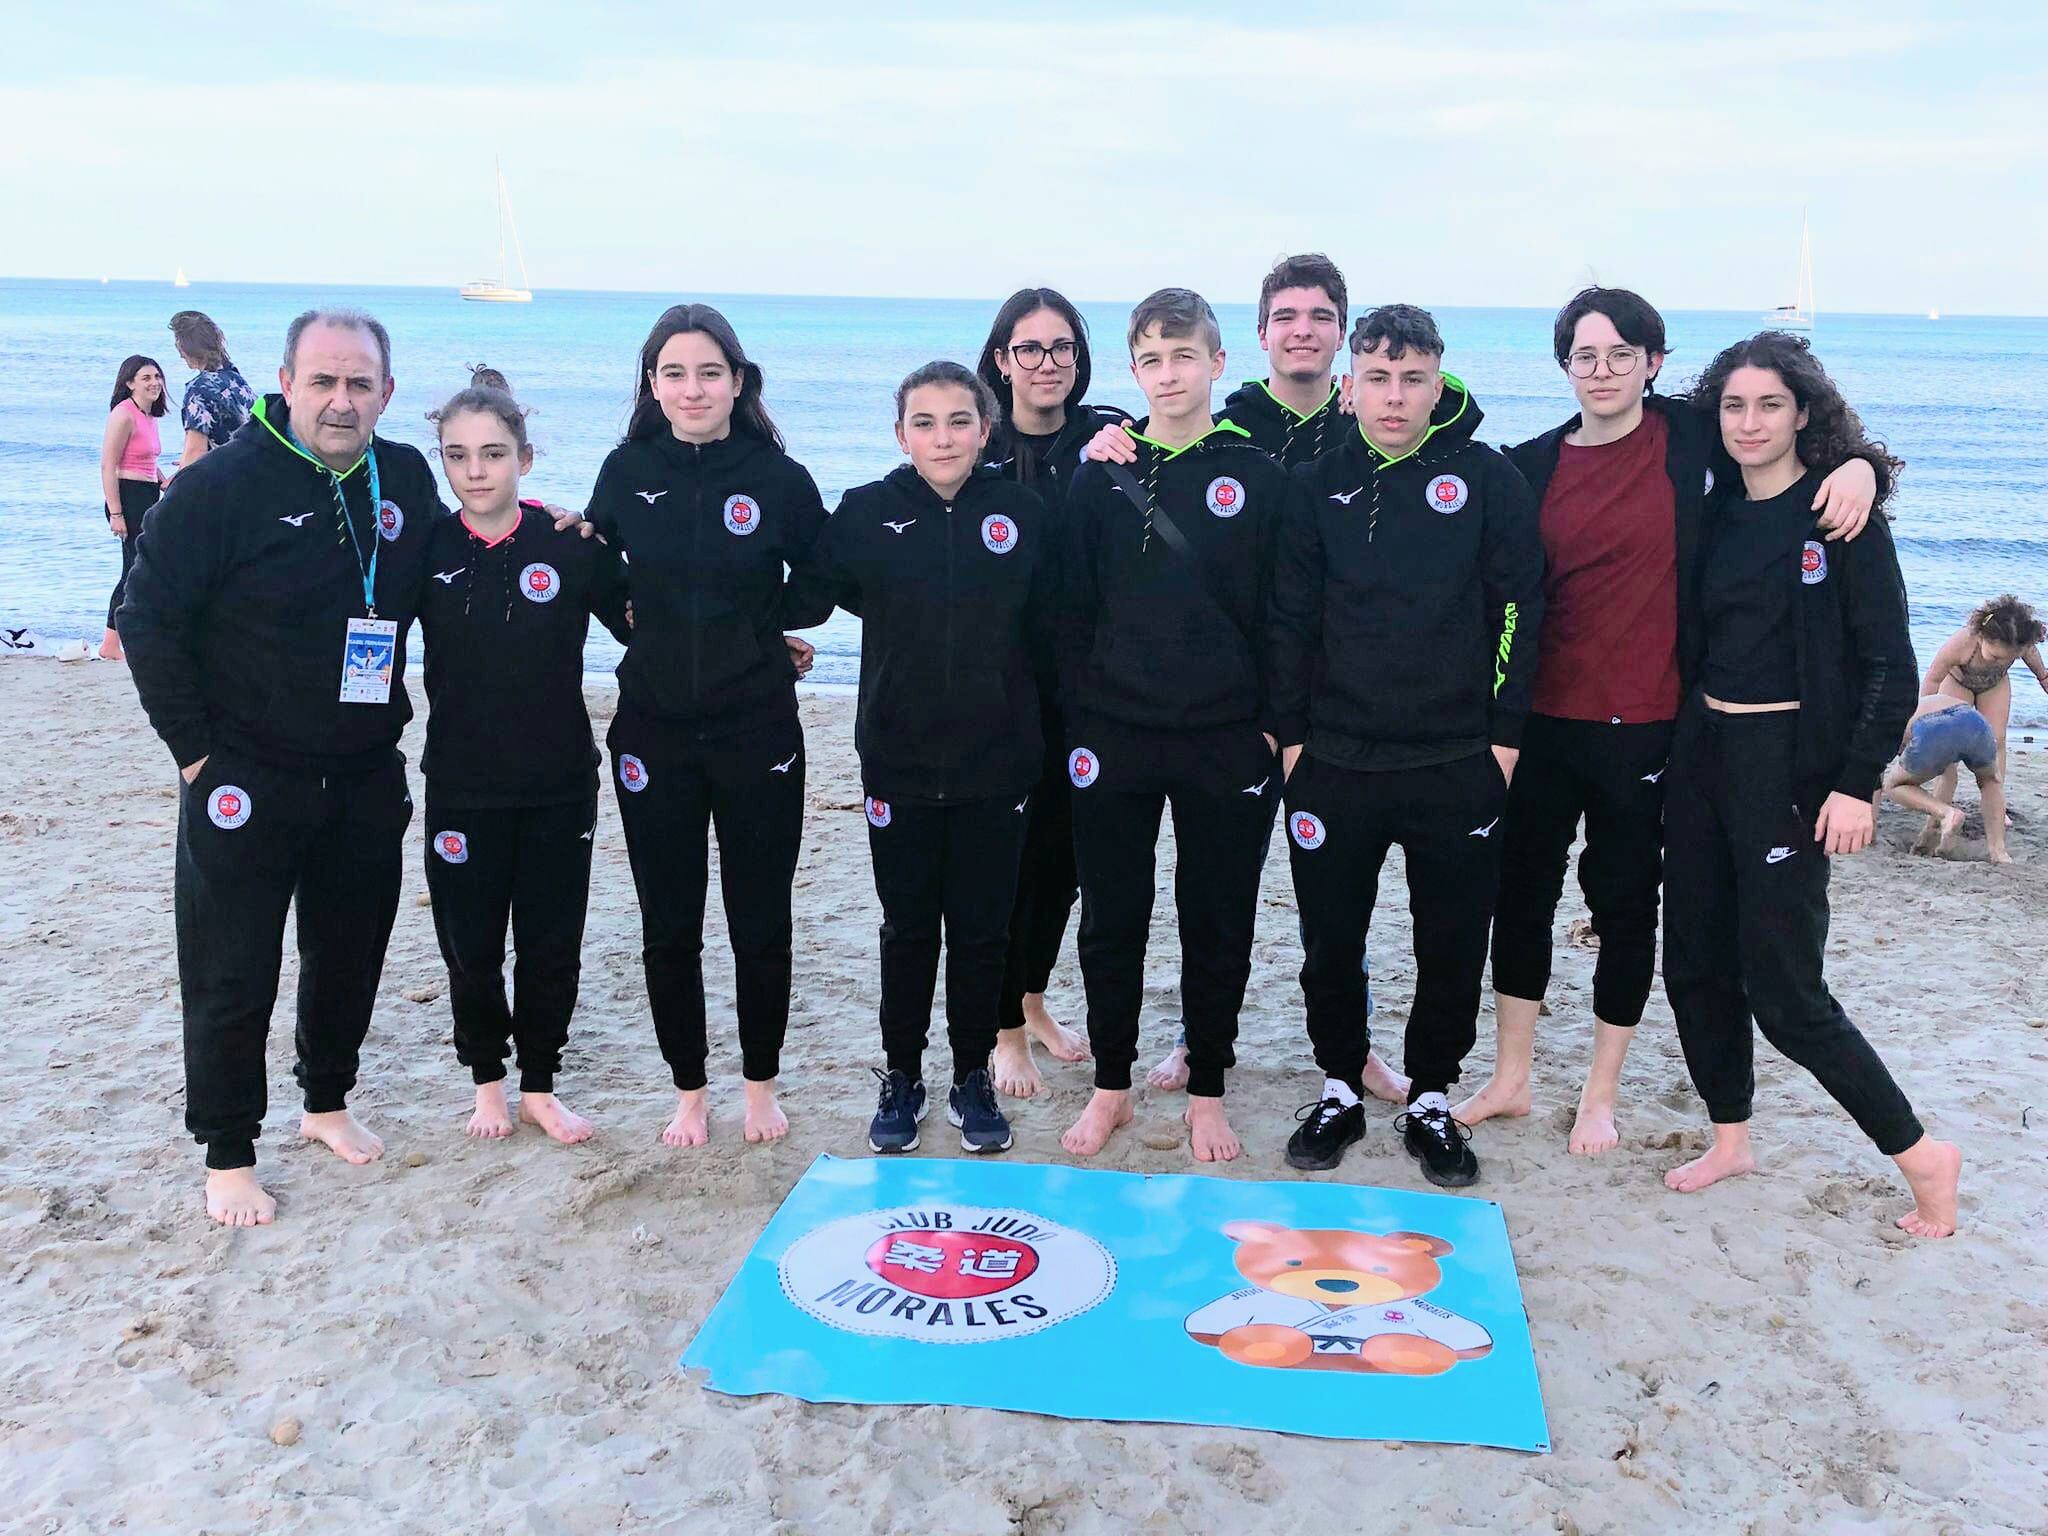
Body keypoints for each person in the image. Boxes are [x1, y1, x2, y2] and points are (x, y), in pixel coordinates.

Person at [1466, 287, 1880, 1153]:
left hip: (1654, 725)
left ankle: (1601, 1093)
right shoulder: (1532, 465)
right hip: (1543, 721)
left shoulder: (1693, 440)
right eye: (1586, 355)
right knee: (1521, 898)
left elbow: (1780, 433)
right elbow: (1455, 451)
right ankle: (1511, 1077)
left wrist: (1860, 468)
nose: (1604, 370)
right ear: (1564, 367)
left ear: (1654, 363)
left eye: (1623, 354)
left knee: (1624, 907)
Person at [119, 308, 440, 1226]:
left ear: (387, 391)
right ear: (287, 383)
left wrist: (556, 532)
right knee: (232, 970)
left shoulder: (406, 475)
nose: (342, 401)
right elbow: (147, 617)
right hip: (244, 775)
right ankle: (227, 1150)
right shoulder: (222, 485)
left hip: (365, 768)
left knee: (348, 954)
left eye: (361, 384)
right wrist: (193, 755)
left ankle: (325, 1102)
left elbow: (458, 564)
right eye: (324, 382)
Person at [1661, 331, 1961, 1239]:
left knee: (1788, 994)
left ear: (1804, 414)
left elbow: (1890, 666)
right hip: (1702, 756)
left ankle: (1923, 1158)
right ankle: (1731, 1136)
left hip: (1787, 776)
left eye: (1771, 405)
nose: (1750, 423)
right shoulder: (1711, 512)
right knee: (1694, 968)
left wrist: (1856, 786)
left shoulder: (1839, 520)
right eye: (1734, 406)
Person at [1088, 257, 1407, 1105]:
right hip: (1217, 707)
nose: (1303, 329)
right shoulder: (1235, 426)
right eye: (1286, 316)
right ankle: (1199, 1046)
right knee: (1206, 900)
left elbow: (1448, 425)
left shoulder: (1369, 418)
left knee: (1334, 900)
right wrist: (1104, 436)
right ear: (1259, 337)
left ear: (1343, 332)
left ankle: (1354, 1047)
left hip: (1337, 699)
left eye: (1320, 315)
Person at [1268, 303, 1543, 1187]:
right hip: (1334, 761)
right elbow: (1289, 620)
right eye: (1378, 378)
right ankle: (1339, 1084)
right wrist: (1292, 744)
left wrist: (1502, 741)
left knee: (1451, 939)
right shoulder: (1313, 480)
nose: (1395, 397)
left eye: (1413, 379)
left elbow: (1518, 609)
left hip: (1455, 759)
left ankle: (1431, 1095)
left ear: (1439, 383)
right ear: (1351, 383)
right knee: (1331, 940)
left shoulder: (1488, 480)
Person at [786, 362, 1054, 1153]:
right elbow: (805, 595)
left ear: (986, 428)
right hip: (896, 759)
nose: (944, 437)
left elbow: (1059, 623)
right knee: (907, 929)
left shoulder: (1022, 512)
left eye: (959, 421)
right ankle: (902, 1077)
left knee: (982, 932)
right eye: (925, 423)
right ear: (900, 433)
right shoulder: (868, 511)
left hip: (998, 761)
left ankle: (971, 1076)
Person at [1055, 288, 1291, 1164]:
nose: (1168, 373)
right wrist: (1083, 718)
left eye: (1184, 356)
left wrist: (1270, 727)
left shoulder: (1258, 474)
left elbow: (1285, 613)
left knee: (1216, 917)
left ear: (1219, 364)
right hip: (1115, 733)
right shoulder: (1101, 471)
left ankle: (1208, 1090)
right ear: (1135, 370)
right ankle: (1111, 1084)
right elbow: (1068, 607)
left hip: (1225, 737)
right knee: (1113, 915)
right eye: (1151, 359)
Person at [585, 304, 827, 1148]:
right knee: (670, 923)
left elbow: (820, 582)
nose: (693, 389)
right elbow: (595, 568)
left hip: (757, 730)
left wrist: (760, 631)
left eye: (710, 372)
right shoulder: (625, 469)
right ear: (653, 385)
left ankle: (760, 1084)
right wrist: (639, 628)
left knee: (761, 919)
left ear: (738, 380)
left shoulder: (777, 477)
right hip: (652, 733)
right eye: (675, 373)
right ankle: (690, 1089)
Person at [418, 372, 630, 1143]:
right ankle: (487, 1084)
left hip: (558, 785)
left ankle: (540, 1085)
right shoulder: (426, 548)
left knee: (549, 946)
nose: (476, 470)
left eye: (493, 454)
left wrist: (763, 643)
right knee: (470, 947)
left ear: (525, 460)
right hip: (461, 787)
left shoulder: (567, 544)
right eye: (458, 455)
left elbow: (651, 621)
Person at [974, 287, 1129, 1098]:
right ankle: (1005, 1030)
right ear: (1001, 359)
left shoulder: (1108, 436)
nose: (1047, 364)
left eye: (1062, 347)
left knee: (1067, 863)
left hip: (1090, 691)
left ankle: (1034, 997)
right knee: (1012, 864)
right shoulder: (975, 442)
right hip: (998, 691)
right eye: (1029, 349)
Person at [1887, 595, 2046, 861]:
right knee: (1950, 752)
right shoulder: (1964, 641)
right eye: (1995, 655)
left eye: (2008, 658)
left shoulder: (2019, 643)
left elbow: (2033, 660)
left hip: (1994, 685)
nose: (1999, 660)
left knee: (1996, 742)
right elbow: (1933, 678)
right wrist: (1922, 716)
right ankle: (1941, 809)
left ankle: (1998, 808)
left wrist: (2043, 676)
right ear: (1983, 636)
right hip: (1958, 681)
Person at [98, 354, 170, 661]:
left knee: (144, 568)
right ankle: (111, 643)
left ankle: (132, 636)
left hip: (146, 495)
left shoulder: (148, 415)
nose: (154, 383)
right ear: (130, 383)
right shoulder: (123, 413)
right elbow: (108, 465)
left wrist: (167, 482)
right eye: (146, 378)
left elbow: (147, 460)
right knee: (133, 570)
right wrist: (116, 513)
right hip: (127, 498)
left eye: (157, 377)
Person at [168, 310, 256, 469]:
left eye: (177, 343)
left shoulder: (199, 389)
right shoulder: (237, 380)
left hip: (222, 484)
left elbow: (195, 452)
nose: (179, 354)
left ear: (187, 346)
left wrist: (177, 485)